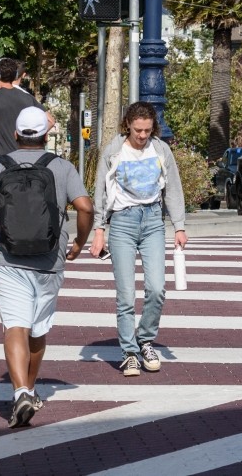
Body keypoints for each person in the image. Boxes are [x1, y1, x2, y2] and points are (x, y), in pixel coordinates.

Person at [0, 106, 93, 428]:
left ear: (16, 135)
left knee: (15, 325)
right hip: (49, 261)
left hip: (8, 260)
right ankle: (29, 389)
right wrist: (78, 242)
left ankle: (20, 391)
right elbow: (85, 207)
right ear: (46, 135)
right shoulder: (62, 167)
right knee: (38, 329)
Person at [90, 101, 188, 377]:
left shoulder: (160, 149)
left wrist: (179, 226)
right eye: (137, 130)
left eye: (147, 130)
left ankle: (145, 340)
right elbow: (101, 190)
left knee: (157, 289)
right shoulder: (114, 150)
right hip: (122, 222)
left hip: (153, 220)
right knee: (125, 295)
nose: (142, 136)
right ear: (128, 127)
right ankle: (129, 352)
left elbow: (173, 188)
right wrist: (99, 230)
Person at [0, 58, 49, 160]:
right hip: (30, 161)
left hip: (6, 162)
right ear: (15, 76)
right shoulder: (28, 97)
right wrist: (33, 138)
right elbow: (50, 120)